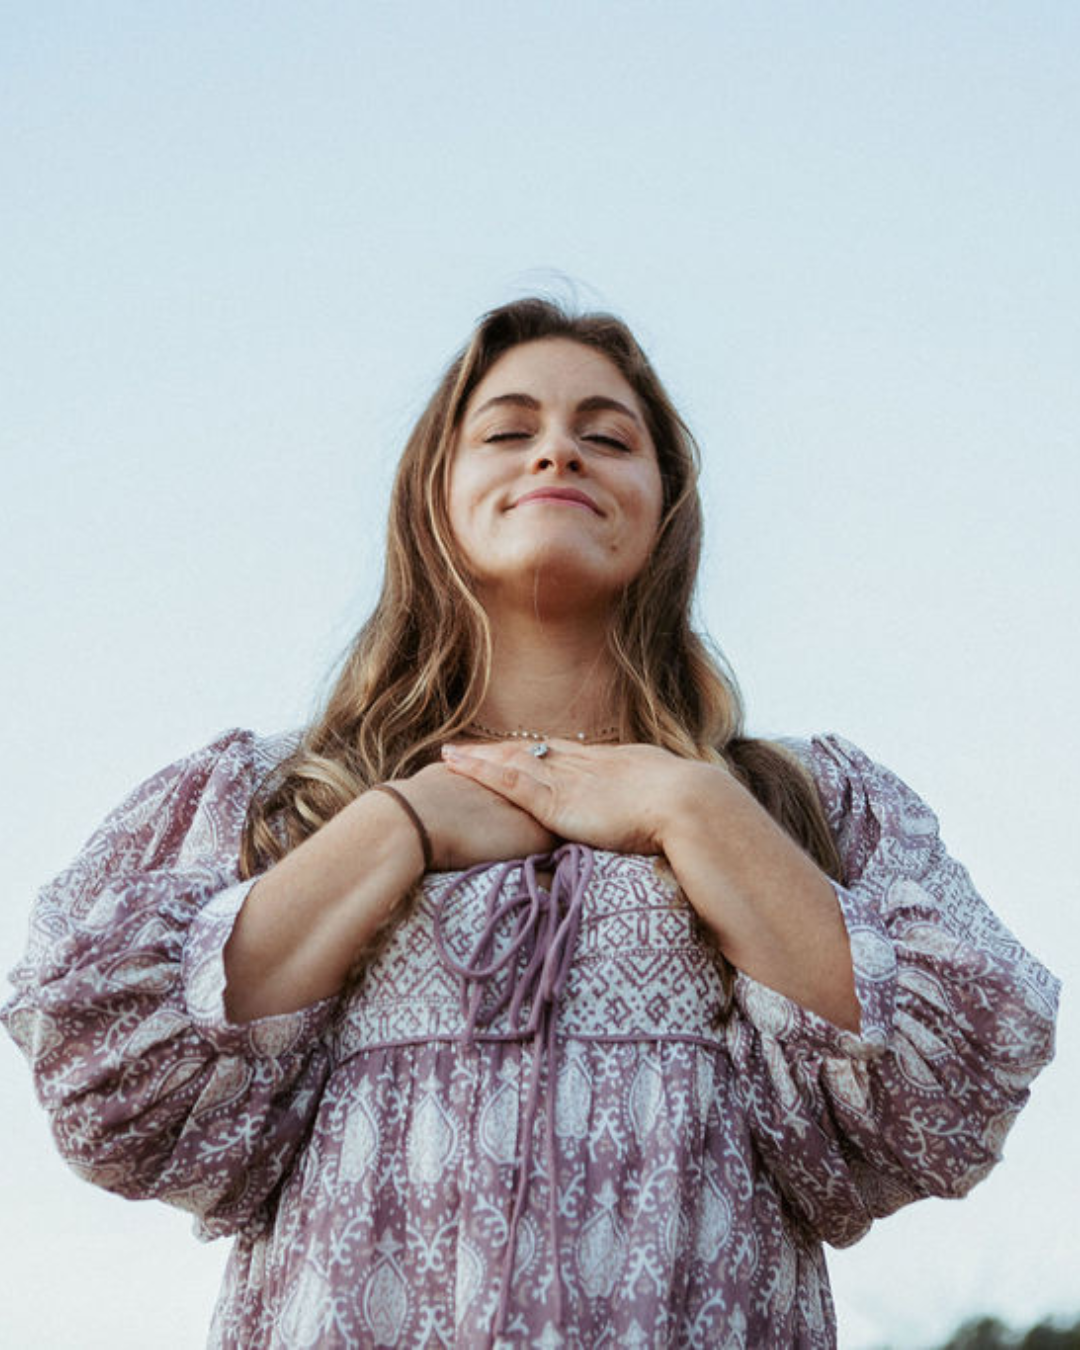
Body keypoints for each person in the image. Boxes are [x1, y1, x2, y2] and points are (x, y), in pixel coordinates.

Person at [2, 298, 1060, 1349]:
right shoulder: (279, 798)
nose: (558, 451)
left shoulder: (802, 803)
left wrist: (683, 804)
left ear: (666, 507)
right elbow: (119, 1099)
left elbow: (941, 1107)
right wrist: (402, 823)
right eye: (509, 430)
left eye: (608, 437)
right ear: (436, 495)